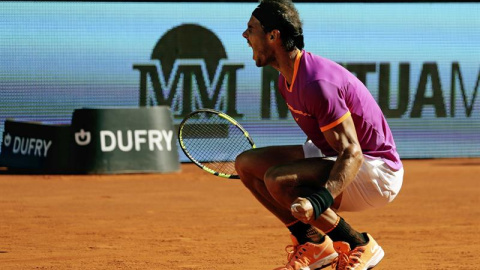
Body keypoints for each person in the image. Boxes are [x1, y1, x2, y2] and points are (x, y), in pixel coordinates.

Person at [237, 1, 404, 269]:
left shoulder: (316, 84)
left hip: (377, 171)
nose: (245, 36)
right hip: (337, 154)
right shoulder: (286, 78)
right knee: (248, 164)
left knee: (277, 179)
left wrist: (318, 200)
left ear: (273, 35)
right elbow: (323, 142)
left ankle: (357, 242)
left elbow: (353, 152)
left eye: (251, 29)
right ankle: (314, 245)